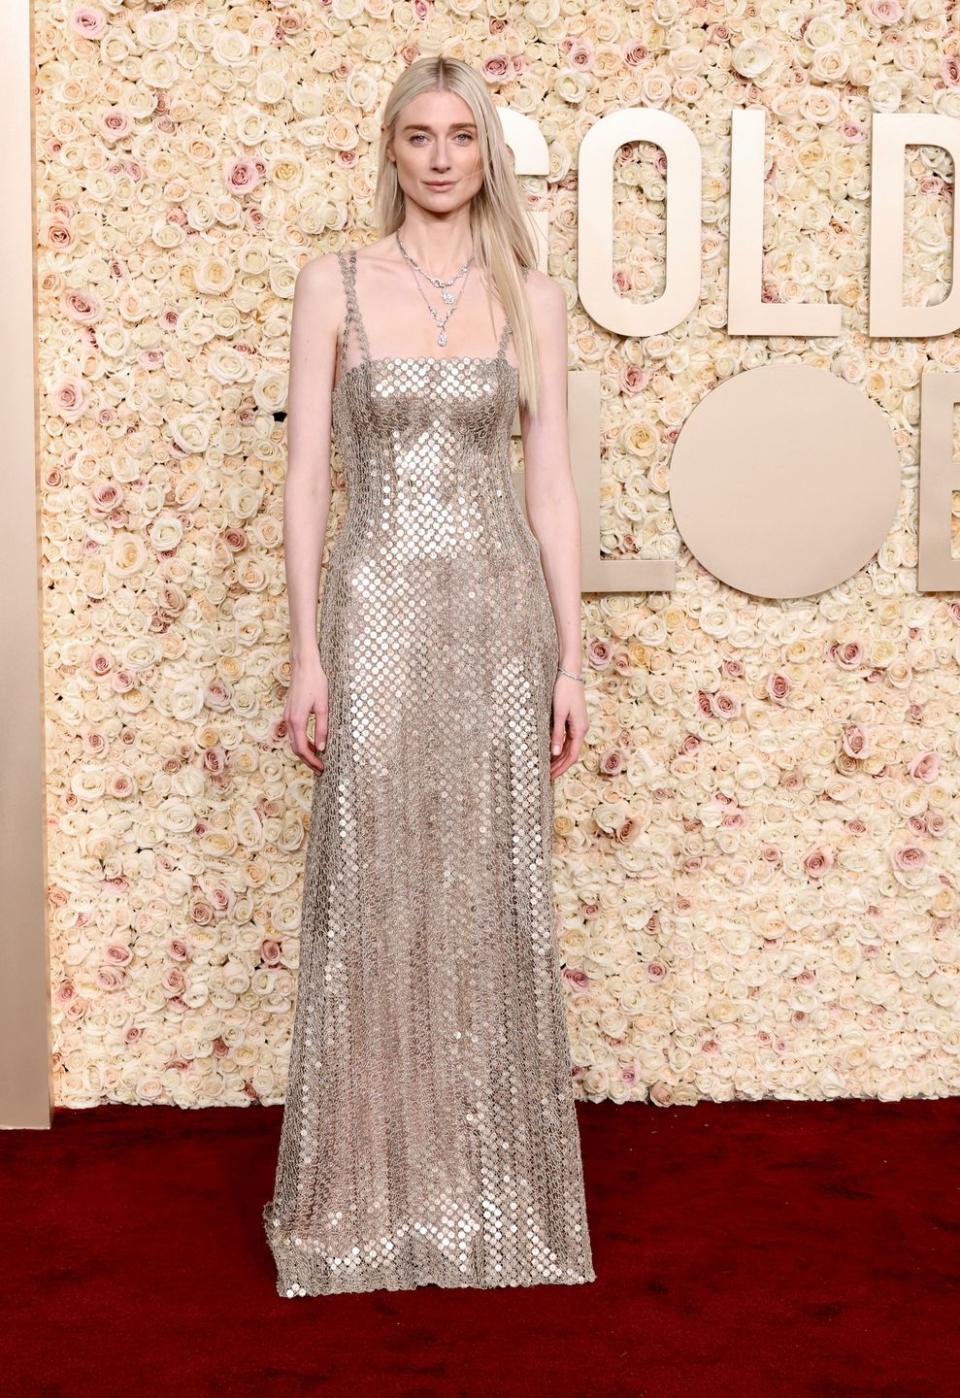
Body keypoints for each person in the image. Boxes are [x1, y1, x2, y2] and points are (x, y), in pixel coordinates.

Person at [261, 54, 595, 1296]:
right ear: (390, 149)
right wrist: (306, 650)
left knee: (491, 883)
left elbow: (549, 486)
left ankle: (492, 1196)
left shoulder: (534, 298)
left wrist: (570, 655)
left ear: (486, 151)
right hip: (379, 613)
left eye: (463, 135)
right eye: (420, 134)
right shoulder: (332, 283)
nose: (443, 156)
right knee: (374, 887)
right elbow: (307, 482)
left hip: (500, 620)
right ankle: (367, 1199)